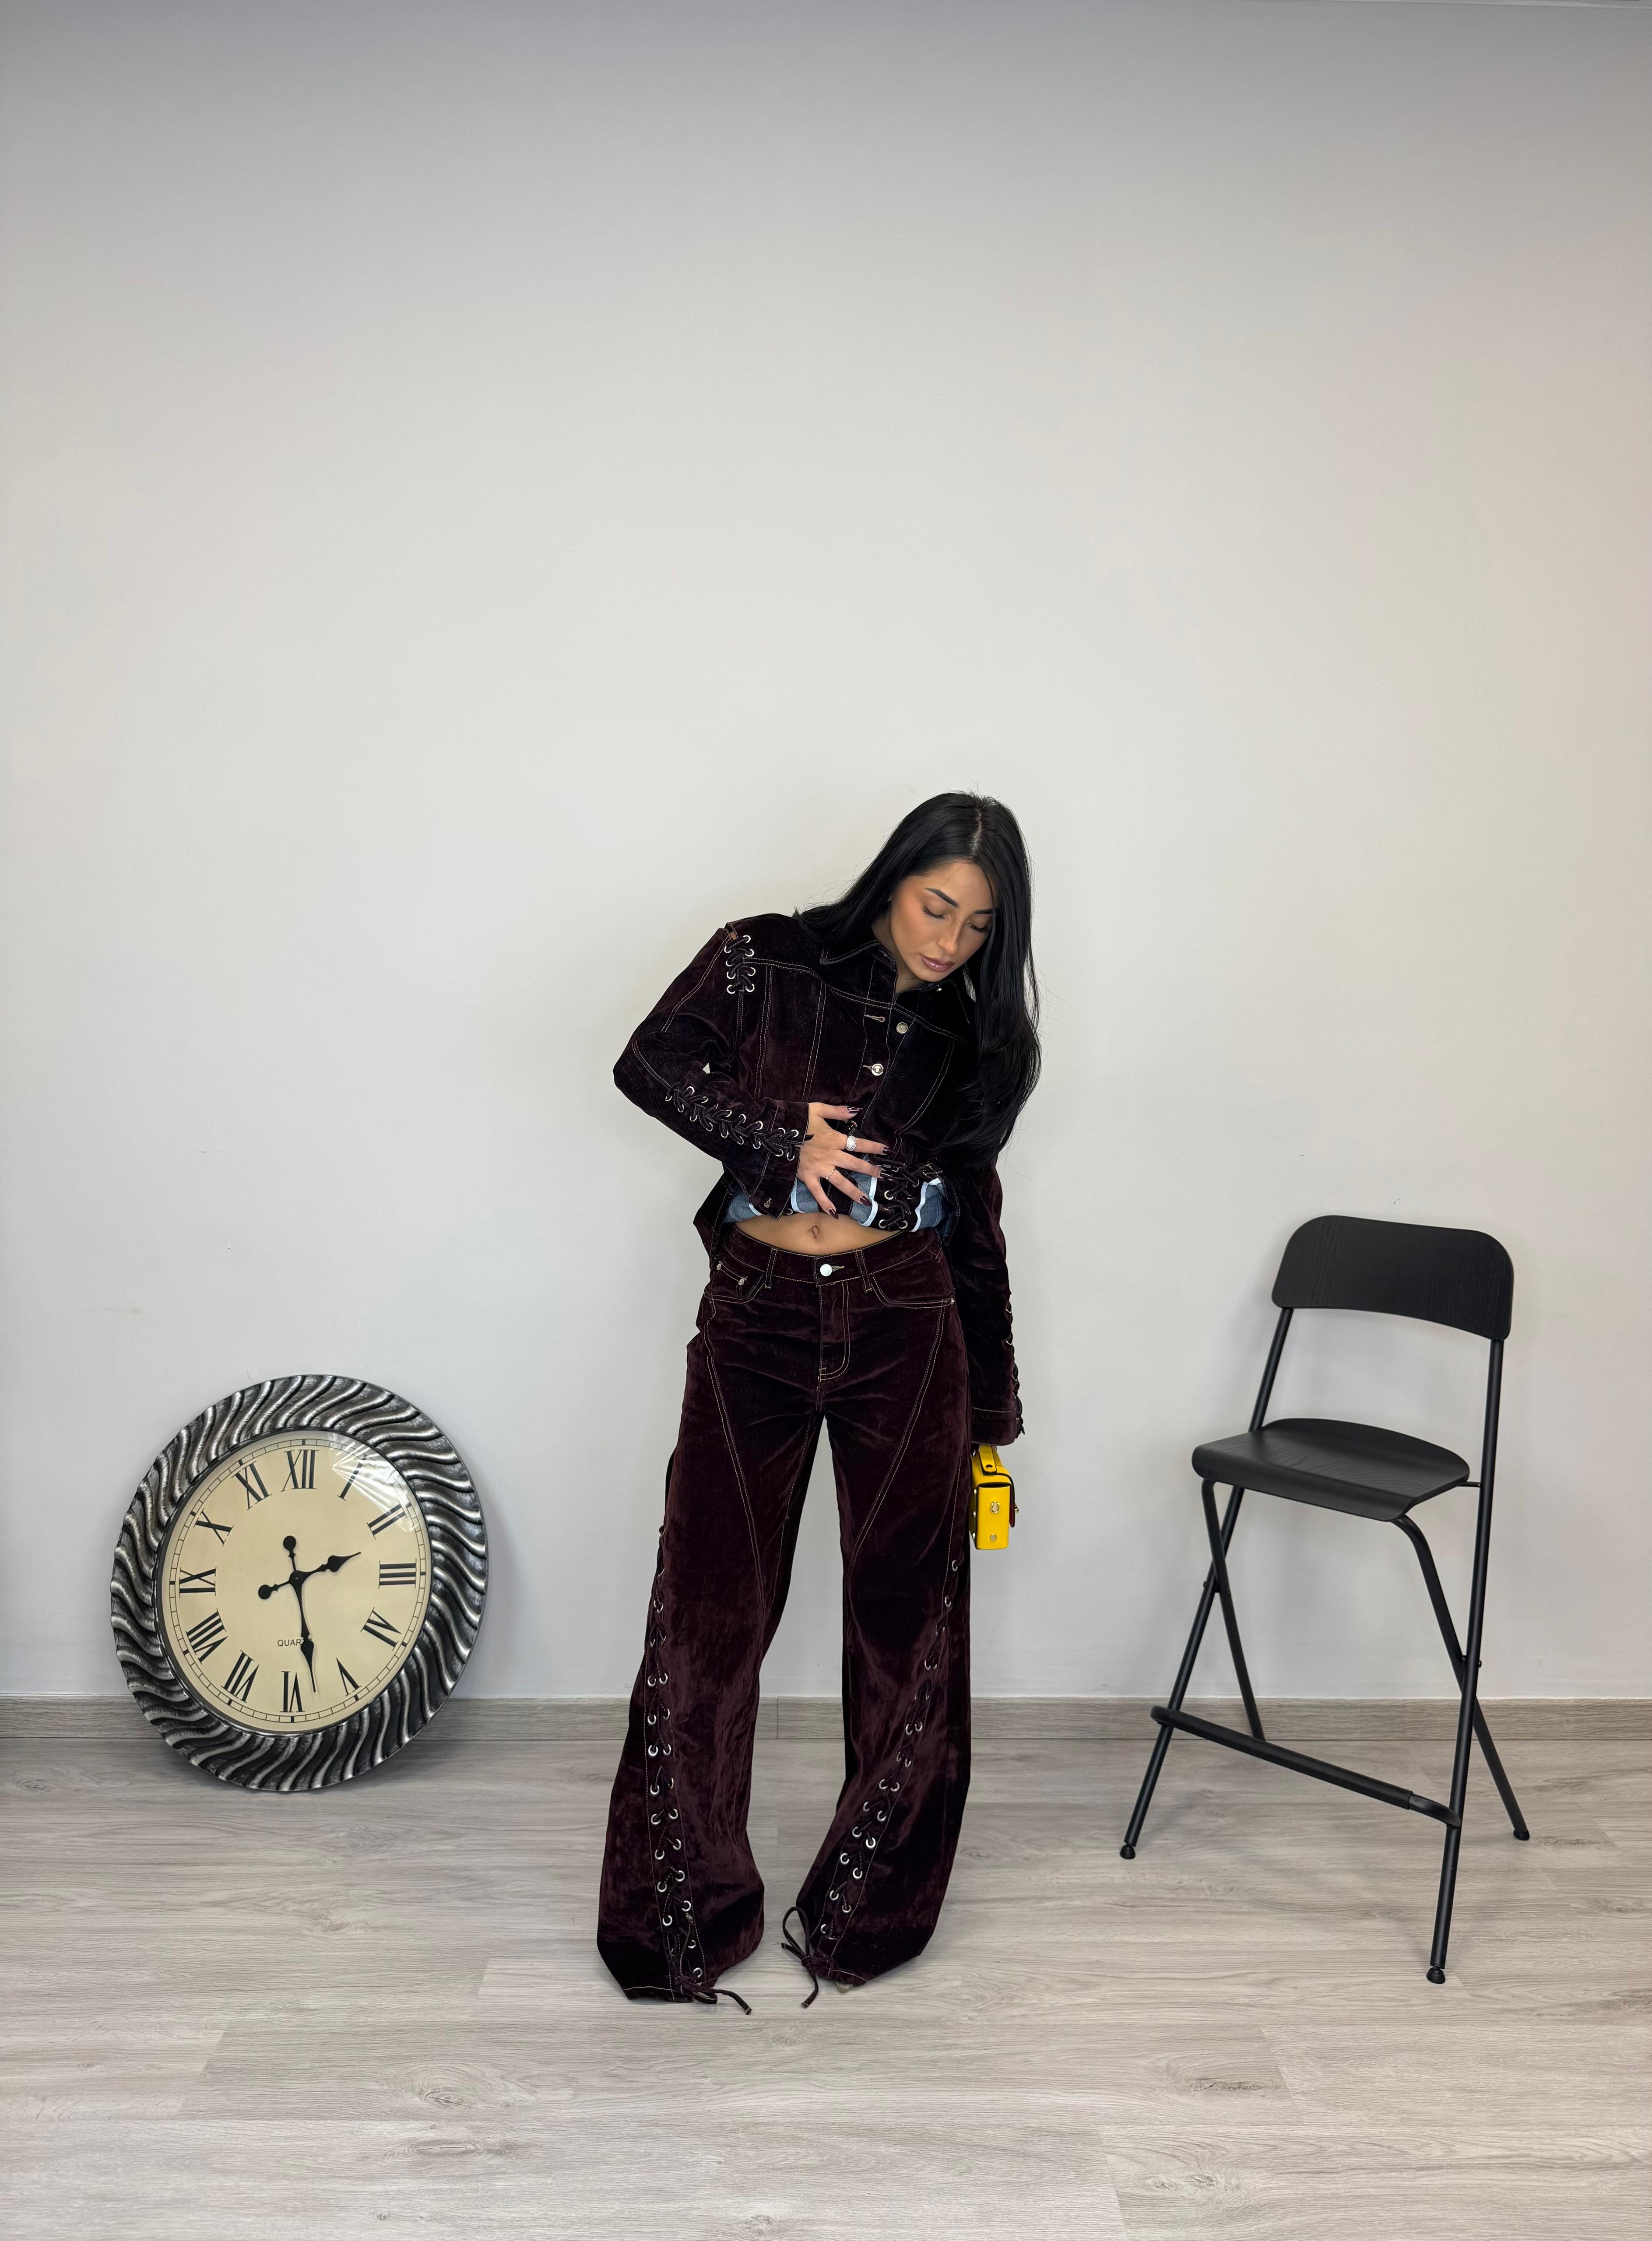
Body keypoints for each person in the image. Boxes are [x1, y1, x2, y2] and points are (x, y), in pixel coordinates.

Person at [595, 792, 1040, 2007]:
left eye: (978, 927)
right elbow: (648, 1060)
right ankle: (679, 1924)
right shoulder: (766, 957)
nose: (948, 941)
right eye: (936, 906)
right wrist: (777, 1138)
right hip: (758, 1315)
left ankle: (865, 1916)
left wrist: (991, 1416)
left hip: (909, 1325)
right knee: (706, 1613)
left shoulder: (985, 1042)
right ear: (894, 878)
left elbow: (977, 1224)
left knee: (911, 1625)